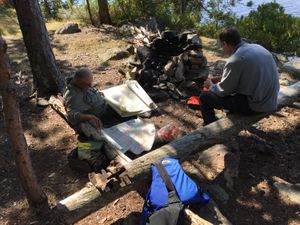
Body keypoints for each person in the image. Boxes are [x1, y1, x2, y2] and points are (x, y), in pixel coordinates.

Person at [199, 27, 279, 125]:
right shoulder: (258, 47)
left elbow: (223, 91)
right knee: (234, 96)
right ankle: (231, 113)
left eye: (222, 46)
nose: (222, 49)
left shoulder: (235, 59)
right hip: (271, 100)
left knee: (204, 97)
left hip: (256, 106)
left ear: (225, 44)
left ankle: (209, 128)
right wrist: (219, 79)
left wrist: (210, 85)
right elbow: (247, 75)